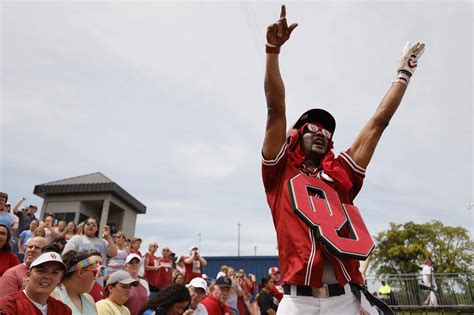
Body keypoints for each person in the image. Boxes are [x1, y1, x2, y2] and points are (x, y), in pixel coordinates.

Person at [261, 5, 425, 315]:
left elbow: (378, 123)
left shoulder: (339, 175)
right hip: (298, 300)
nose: (320, 132)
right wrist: (272, 51)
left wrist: (403, 74)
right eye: (312, 128)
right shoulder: (279, 171)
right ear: (296, 134)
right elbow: (275, 109)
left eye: (326, 131)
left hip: (345, 297)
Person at [0, 251, 72, 314]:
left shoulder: (63, 310)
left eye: (54, 273)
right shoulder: (8, 306)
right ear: (28, 275)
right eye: (41, 271)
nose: (47, 276)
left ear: (59, 279)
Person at [51, 250, 100, 314]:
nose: (94, 278)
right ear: (80, 272)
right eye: (94, 272)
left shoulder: (89, 299)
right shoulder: (53, 298)